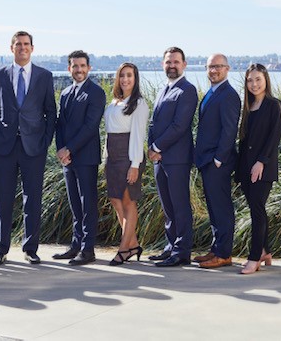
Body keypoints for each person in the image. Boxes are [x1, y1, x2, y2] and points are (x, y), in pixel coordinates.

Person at [0, 31, 57, 265]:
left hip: (33, 147)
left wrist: (45, 142)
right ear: (11, 48)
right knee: (3, 199)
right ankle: (0, 248)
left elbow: (51, 112)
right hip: (4, 148)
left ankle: (30, 248)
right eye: (18, 44)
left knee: (33, 198)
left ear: (32, 48)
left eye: (26, 44)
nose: (22, 48)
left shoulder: (44, 76)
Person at [52, 50, 105, 265]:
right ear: (69, 69)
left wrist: (69, 149)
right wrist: (60, 150)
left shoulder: (96, 93)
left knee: (87, 203)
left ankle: (88, 249)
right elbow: (60, 125)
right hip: (68, 160)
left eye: (82, 66)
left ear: (89, 68)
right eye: (75, 66)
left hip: (86, 157)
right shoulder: (65, 93)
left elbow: (90, 127)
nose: (79, 69)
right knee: (74, 204)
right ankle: (76, 245)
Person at [147, 46, 198, 267]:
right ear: (163, 64)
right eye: (168, 62)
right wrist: (151, 147)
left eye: (176, 62)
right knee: (168, 206)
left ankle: (182, 251)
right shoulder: (163, 89)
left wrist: (157, 146)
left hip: (177, 159)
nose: (172, 65)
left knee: (179, 205)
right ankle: (170, 246)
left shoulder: (187, 90)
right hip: (160, 159)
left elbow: (179, 126)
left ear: (184, 65)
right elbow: (154, 122)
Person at [193, 54, 241, 269]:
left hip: (218, 162)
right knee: (213, 207)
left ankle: (224, 254)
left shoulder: (229, 95)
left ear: (227, 69)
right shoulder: (212, 93)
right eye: (210, 67)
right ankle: (216, 248)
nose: (214, 70)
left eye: (218, 67)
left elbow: (230, 130)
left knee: (221, 207)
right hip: (206, 160)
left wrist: (219, 159)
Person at [236, 63, 281, 275]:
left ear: (265, 80)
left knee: (257, 210)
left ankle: (254, 257)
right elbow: (244, 140)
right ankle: (265, 250)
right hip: (245, 166)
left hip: (262, 168)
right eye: (250, 80)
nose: (254, 84)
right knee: (257, 208)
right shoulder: (248, 106)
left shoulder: (274, 105)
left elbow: (275, 137)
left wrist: (261, 162)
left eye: (258, 79)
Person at [104, 63, 149, 266]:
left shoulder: (139, 103)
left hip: (128, 156)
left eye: (129, 75)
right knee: (115, 200)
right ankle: (133, 244)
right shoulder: (115, 101)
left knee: (128, 201)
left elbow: (139, 136)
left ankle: (124, 249)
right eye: (122, 75)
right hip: (112, 157)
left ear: (135, 78)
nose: (125, 79)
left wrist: (135, 164)